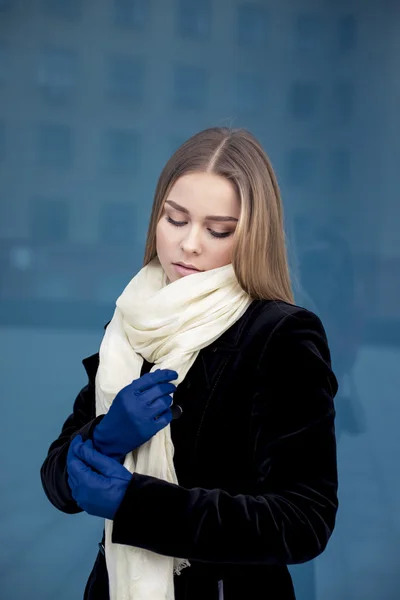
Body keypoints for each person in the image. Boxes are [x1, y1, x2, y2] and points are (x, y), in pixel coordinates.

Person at [40, 127, 338, 600]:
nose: (190, 244)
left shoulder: (280, 335)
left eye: (218, 230)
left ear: (252, 234)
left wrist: (135, 503)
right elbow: (57, 483)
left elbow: (304, 521)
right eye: (175, 220)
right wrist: (104, 437)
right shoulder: (131, 322)